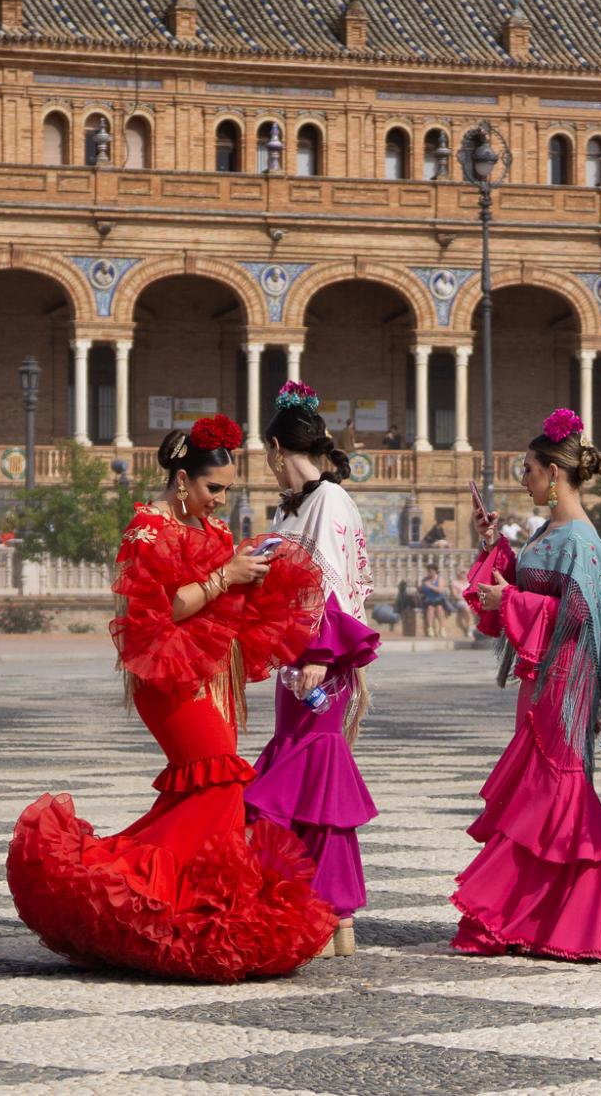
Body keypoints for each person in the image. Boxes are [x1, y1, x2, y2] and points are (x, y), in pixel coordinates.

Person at [7, 413, 336, 980]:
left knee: (209, 797)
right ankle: (136, 891)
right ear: (182, 480)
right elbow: (154, 611)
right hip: (167, 676)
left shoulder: (213, 532)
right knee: (221, 778)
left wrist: (259, 576)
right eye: (214, 489)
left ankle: (187, 909)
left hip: (216, 674)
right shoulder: (147, 528)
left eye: (228, 491)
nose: (220, 501)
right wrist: (223, 579)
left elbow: (227, 598)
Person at [454, 407, 601, 961]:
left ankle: (552, 916)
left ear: (554, 473)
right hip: (538, 682)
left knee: (555, 789)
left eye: (527, 469)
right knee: (537, 794)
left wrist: (515, 601)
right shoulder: (549, 532)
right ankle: (535, 915)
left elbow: (583, 619)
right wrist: (494, 547)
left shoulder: (582, 541)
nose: (522, 478)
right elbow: (520, 590)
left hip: (565, 682)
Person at [246, 381, 379, 958]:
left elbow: (332, 588)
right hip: (294, 661)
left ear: (277, 448)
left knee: (315, 782)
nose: (269, 466)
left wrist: (321, 659)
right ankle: (327, 914)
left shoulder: (328, 501)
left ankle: (329, 912)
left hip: (318, 663)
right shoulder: (295, 506)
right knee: (310, 789)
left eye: (267, 456)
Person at [418, 564, 452, 636]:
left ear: (435, 571)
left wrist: (429, 586)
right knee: (430, 608)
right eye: (429, 571)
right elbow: (421, 591)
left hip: (439, 599)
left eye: (431, 571)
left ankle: (442, 628)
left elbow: (440, 590)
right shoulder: (425, 579)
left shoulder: (439, 579)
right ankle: (430, 628)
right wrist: (420, 587)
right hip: (428, 599)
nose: (430, 573)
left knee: (439, 608)